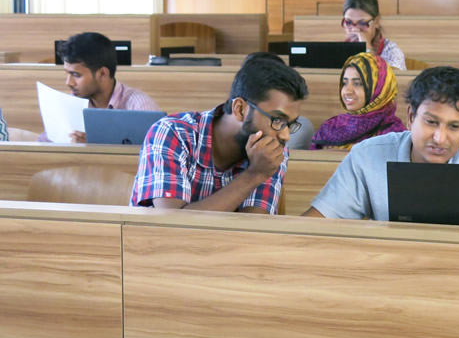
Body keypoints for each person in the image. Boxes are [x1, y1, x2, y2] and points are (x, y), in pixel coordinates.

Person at [305, 66, 459, 220]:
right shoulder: (368, 155)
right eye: (431, 122)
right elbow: (317, 222)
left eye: (454, 127)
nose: (440, 138)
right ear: (411, 117)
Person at [131, 52, 308, 214]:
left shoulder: (271, 150)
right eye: (277, 120)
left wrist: (258, 172)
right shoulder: (172, 133)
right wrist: (254, 175)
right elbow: (172, 222)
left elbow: (251, 229)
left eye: (290, 124)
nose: (286, 135)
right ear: (239, 109)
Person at [41, 32, 160, 143]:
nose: (69, 83)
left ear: (102, 74)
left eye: (76, 75)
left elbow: (153, 159)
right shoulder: (71, 103)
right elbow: (42, 145)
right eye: (67, 73)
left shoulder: (140, 107)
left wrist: (93, 148)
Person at [310, 52, 406, 150]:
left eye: (357, 83)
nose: (347, 91)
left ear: (380, 89)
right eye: (344, 83)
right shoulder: (330, 127)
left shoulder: (394, 136)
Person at [341, 0, 406, 70]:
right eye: (349, 22)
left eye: (362, 23)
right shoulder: (339, 51)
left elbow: (386, 81)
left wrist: (367, 48)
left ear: (376, 22)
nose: (354, 30)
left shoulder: (392, 52)